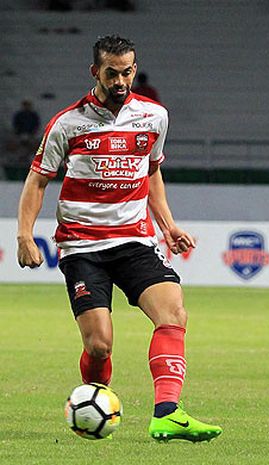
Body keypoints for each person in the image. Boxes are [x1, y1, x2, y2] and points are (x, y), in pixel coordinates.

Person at [16, 35, 222, 443]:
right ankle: (96, 399)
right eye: (112, 72)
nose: (121, 80)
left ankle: (167, 412)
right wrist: (24, 234)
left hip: (134, 241)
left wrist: (168, 225)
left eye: (127, 71)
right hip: (82, 246)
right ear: (96, 72)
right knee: (99, 346)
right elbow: (38, 180)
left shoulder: (154, 117)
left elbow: (151, 172)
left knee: (173, 314)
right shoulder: (67, 123)